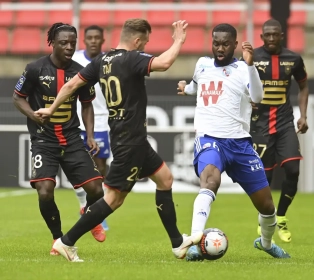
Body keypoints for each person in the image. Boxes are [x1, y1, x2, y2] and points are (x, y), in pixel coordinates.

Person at [35, 18, 203, 262]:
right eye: (144, 42)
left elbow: (71, 85)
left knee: (165, 179)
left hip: (133, 139)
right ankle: (66, 242)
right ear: (136, 40)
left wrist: (51, 110)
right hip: (130, 141)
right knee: (113, 199)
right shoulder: (132, 58)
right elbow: (165, 63)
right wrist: (178, 40)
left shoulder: (101, 61)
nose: (144, 46)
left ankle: (178, 243)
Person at [176, 23, 290, 261]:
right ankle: (196, 240)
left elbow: (258, 96)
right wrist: (185, 89)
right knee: (210, 180)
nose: (220, 48)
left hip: (239, 144)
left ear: (234, 44)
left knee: (267, 207)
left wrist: (250, 65)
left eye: (225, 43)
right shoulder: (202, 65)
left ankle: (266, 243)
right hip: (209, 138)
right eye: (216, 43)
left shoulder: (242, 69)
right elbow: (197, 87)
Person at [12, 22, 107, 255]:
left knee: (97, 190)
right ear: (52, 43)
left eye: (72, 43)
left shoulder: (80, 72)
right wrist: (33, 116)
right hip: (44, 140)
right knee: (45, 190)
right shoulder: (35, 69)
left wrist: (91, 135)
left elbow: (87, 105)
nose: (69, 47)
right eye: (63, 42)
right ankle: (58, 239)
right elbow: (17, 97)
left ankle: (89, 213)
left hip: (72, 138)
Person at [251, 19, 309, 243]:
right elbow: (236, 85)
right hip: (260, 126)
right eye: (268, 35)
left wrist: (303, 115)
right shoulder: (252, 58)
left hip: (285, 123)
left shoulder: (293, 59)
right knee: (264, 178)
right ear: (262, 37)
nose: (272, 38)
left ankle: (282, 216)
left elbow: (303, 86)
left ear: (282, 35)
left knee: (293, 170)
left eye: (276, 35)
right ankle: (266, 219)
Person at [72, 25, 110, 231]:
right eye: (90, 38)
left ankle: (95, 211)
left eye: (97, 37)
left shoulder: (109, 62)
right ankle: (82, 204)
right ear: (84, 40)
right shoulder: (75, 60)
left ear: (103, 40)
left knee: (100, 167)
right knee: (76, 165)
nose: (94, 41)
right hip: (76, 120)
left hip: (102, 120)